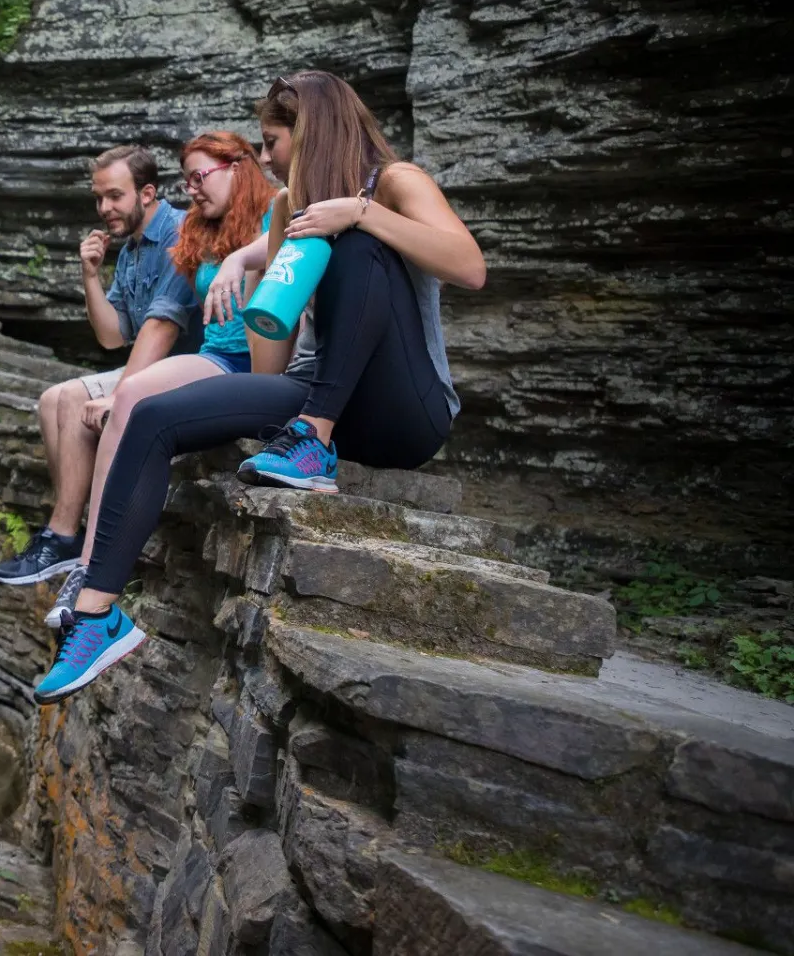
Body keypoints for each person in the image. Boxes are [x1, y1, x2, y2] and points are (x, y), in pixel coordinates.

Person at [33, 71, 487, 704]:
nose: (265, 157)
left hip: (403, 409)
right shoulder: (282, 210)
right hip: (313, 390)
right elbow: (273, 364)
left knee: (357, 242)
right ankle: (97, 615)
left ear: (311, 133)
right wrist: (260, 291)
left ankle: (313, 439)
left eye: (272, 141)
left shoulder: (393, 183)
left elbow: (470, 267)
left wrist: (360, 213)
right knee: (148, 416)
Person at [36, 132, 276, 629]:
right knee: (124, 397)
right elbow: (117, 334)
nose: (192, 189)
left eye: (200, 176)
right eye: (187, 180)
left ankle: (89, 566)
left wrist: (242, 260)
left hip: (260, 362)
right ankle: (87, 567)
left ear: (239, 167)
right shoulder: (200, 232)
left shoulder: (277, 211)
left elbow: (169, 325)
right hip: (218, 357)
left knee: (131, 395)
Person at [0, 145, 199, 589]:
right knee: (51, 401)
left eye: (114, 196)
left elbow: (161, 330)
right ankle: (69, 528)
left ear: (146, 193)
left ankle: (65, 536)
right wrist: (90, 276)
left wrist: (119, 392)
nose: (104, 208)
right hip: (147, 364)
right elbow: (112, 337)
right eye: (98, 198)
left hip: (186, 369)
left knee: (70, 397)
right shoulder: (129, 253)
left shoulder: (184, 234)